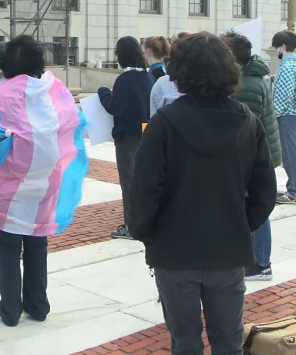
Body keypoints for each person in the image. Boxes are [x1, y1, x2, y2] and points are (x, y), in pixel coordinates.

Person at [130, 32, 276, 355]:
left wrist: (148, 234)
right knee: (228, 343)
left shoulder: (164, 124)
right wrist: (240, 224)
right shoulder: (248, 122)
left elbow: (142, 192)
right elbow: (265, 192)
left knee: (185, 344)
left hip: (174, 250)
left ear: (180, 72)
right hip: (227, 250)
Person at [0, 35, 88, 326]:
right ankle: (38, 306)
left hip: (9, 184)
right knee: (37, 245)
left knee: (7, 249)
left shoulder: (0, 91)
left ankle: (10, 310)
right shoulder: (55, 87)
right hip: (46, 183)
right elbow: (73, 121)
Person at [221, 32, 281, 282]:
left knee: (256, 206)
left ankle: (260, 262)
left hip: (254, 157)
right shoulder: (251, 78)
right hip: (259, 153)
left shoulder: (247, 85)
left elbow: (244, 129)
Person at [98, 36, 154, 240]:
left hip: (128, 135)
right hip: (146, 132)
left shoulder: (125, 79)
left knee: (129, 182)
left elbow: (116, 107)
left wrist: (103, 93)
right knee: (145, 180)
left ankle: (132, 226)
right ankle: (146, 222)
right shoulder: (148, 77)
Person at [271, 30, 296, 205]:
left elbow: (284, 94)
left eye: (276, 47)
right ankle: (294, 188)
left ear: (282, 46)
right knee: (294, 153)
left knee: (290, 154)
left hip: (288, 115)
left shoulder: (288, 65)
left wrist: (274, 114)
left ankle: (295, 192)